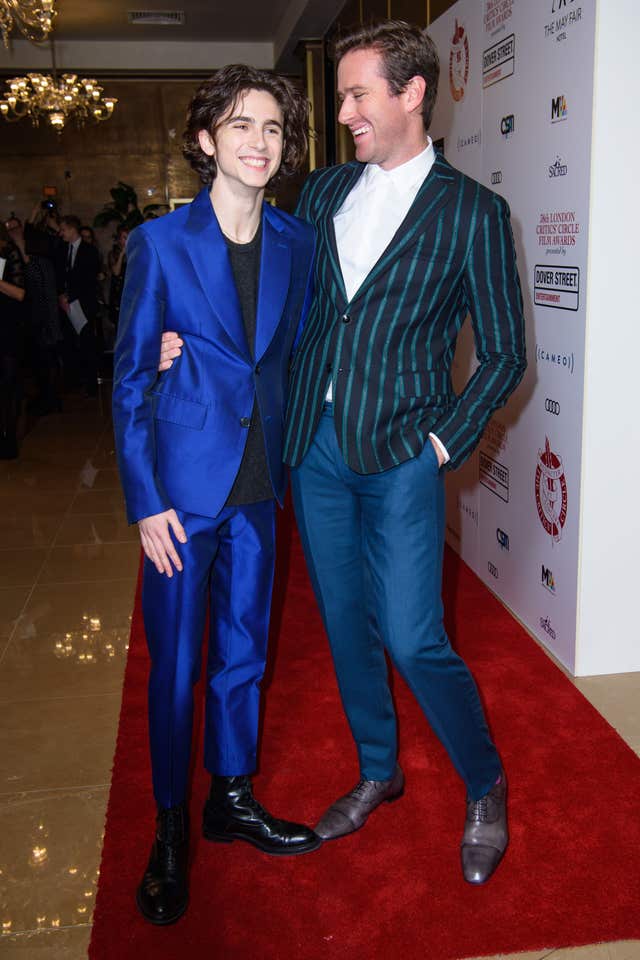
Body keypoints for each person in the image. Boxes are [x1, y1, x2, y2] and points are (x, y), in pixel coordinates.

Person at [160, 21, 527, 886]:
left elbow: (506, 351)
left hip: (404, 450)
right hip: (313, 450)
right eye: (346, 94)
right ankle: (377, 770)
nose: (346, 110)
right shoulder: (321, 194)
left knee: (411, 633)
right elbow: (263, 296)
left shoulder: (474, 211)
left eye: (360, 93)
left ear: (412, 94)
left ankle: (485, 783)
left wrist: (444, 442)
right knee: (343, 624)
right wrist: (182, 342)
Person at [112, 64, 320, 927]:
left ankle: (227, 797)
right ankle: (169, 829)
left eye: (271, 128)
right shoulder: (161, 244)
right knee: (176, 671)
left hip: (259, 490)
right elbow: (128, 381)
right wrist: (145, 498)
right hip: (182, 502)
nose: (257, 142)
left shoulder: (300, 244)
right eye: (240, 125)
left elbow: (291, 359)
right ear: (206, 142)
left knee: (244, 656)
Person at [57, 215, 101, 396]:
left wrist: (72, 295)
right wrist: (62, 295)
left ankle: (91, 384)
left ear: (72, 229)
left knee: (88, 344)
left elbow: (88, 279)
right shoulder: (63, 250)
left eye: (63, 229)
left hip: (84, 304)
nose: (61, 233)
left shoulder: (89, 251)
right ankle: (74, 380)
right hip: (68, 304)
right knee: (70, 343)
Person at [0, 217, 26, 458]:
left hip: (7, 327)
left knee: (8, 385)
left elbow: (20, 293)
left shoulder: (9, 253)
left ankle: (9, 439)